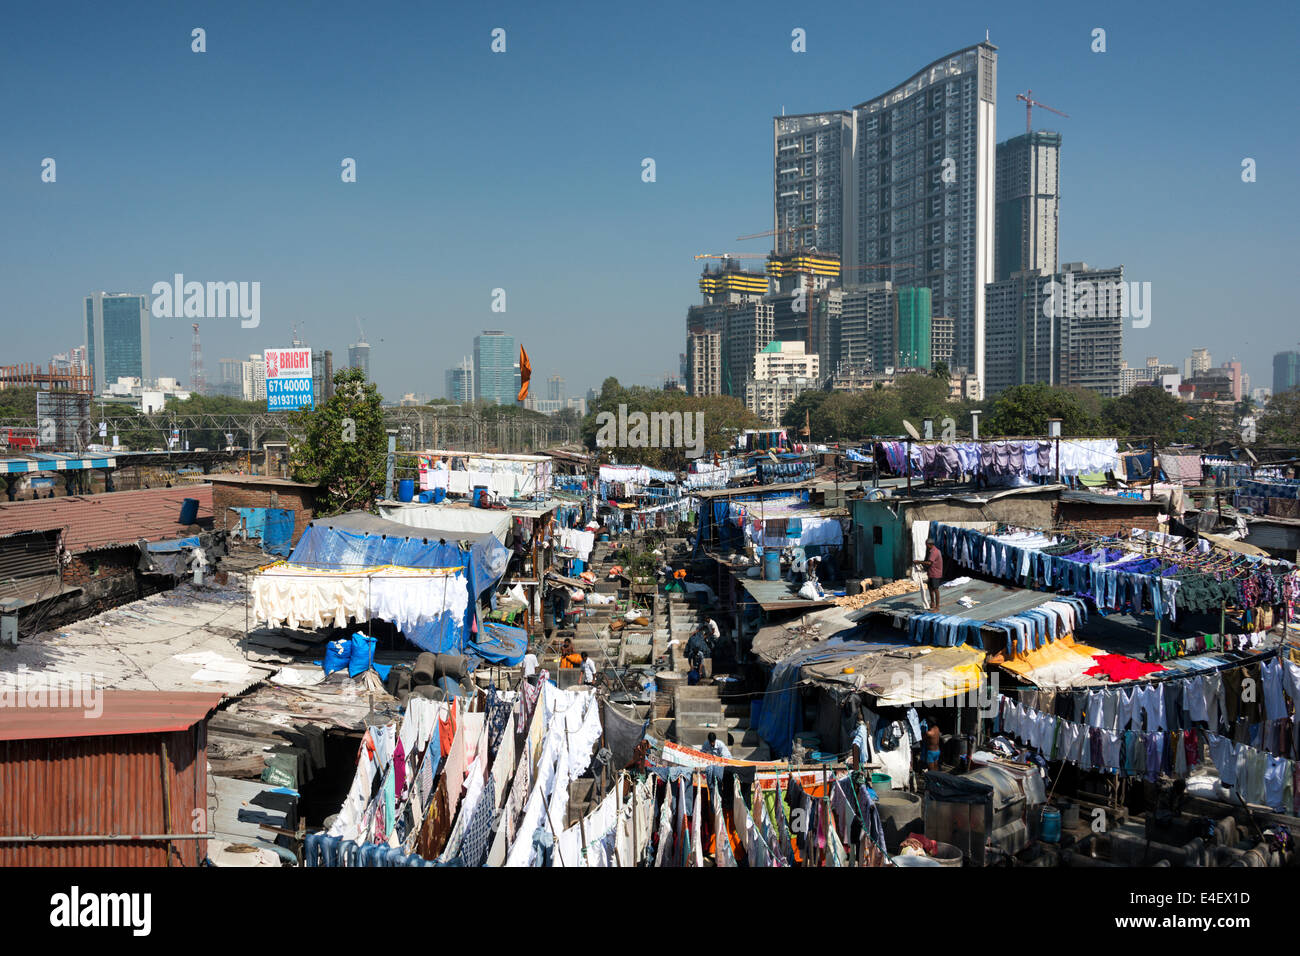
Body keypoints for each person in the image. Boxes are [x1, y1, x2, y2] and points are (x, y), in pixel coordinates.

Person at [919, 537, 943, 611]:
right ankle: (932, 603)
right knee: (930, 588)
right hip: (931, 573)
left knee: (935, 589)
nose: (926, 546)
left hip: (935, 574)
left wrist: (919, 562)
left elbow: (929, 562)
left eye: (926, 544)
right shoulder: (931, 551)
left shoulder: (934, 552)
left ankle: (937, 607)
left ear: (930, 544)